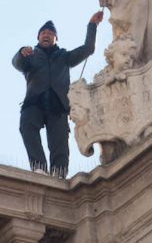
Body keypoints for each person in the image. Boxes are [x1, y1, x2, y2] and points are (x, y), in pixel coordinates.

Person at [13, 12, 103, 177]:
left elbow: (88, 49)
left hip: (58, 104)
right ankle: (39, 166)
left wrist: (92, 25)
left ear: (56, 38)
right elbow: (17, 63)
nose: (46, 35)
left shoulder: (64, 57)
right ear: (38, 37)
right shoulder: (31, 56)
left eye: (50, 33)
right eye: (43, 33)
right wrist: (21, 53)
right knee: (27, 127)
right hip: (34, 102)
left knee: (60, 141)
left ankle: (59, 173)